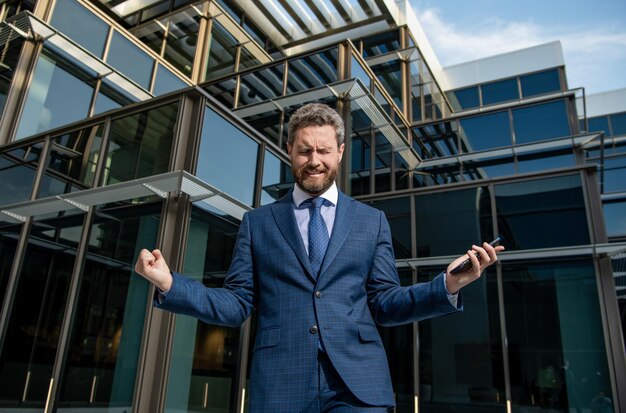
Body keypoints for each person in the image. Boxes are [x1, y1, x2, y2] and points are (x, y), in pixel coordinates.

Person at [135, 103, 504, 412]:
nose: (314, 161)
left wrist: (449, 285)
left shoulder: (371, 222)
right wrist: (169, 283)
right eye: (304, 150)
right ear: (289, 152)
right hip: (281, 384)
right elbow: (236, 304)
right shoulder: (257, 223)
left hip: (357, 386)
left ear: (340, 152)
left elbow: (386, 303)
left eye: (324, 150)